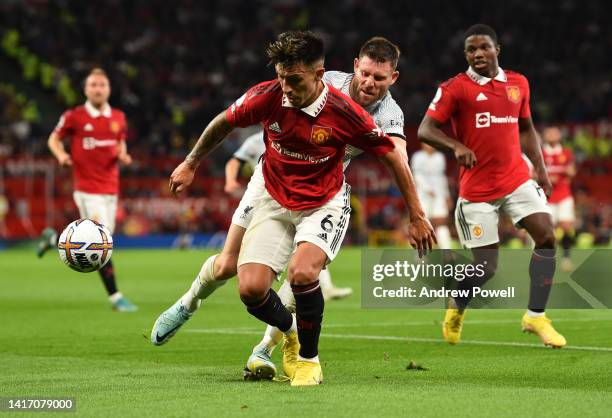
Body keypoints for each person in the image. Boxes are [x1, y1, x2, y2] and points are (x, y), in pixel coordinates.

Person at [155, 31, 435, 386]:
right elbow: (230, 120)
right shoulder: (303, 84)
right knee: (233, 270)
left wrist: (417, 214)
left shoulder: (378, 114)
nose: (368, 82)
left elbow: (396, 157)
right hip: (271, 178)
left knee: (301, 274)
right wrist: (192, 162)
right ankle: (189, 303)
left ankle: (280, 350)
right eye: (364, 73)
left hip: (322, 191)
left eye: (379, 78)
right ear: (352, 68)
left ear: (392, 79)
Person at [417, 24, 565, 348]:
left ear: (498, 49)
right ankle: (457, 302)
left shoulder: (518, 83)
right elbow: (425, 129)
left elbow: (526, 128)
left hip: (516, 179)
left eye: (483, 47)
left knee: (547, 236)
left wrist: (540, 169)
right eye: (471, 50)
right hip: (478, 191)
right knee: (486, 269)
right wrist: (455, 146)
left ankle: (535, 315)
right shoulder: (456, 88)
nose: (477, 54)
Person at [37, 68, 137, 312]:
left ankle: (53, 238)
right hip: (86, 188)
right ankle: (116, 298)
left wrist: (123, 155)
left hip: (111, 189)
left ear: (109, 89)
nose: (98, 89)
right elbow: (53, 139)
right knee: (100, 242)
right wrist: (61, 155)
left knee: (107, 240)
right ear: (86, 89)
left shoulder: (118, 117)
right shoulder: (75, 116)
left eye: (102, 84)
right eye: (93, 85)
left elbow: (119, 142)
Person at [225, 131, 354, 300]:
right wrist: (230, 181)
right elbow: (235, 160)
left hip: (297, 196)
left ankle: (320, 289)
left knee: (307, 249)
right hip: (264, 196)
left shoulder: (297, 133)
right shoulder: (254, 141)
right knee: (239, 259)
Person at [542, 126, 576, 272]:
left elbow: (572, 172)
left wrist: (568, 172)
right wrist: (549, 177)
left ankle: (566, 258)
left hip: (564, 195)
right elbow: (533, 173)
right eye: (549, 132)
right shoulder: (540, 153)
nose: (552, 135)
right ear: (544, 136)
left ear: (559, 135)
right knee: (550, 230)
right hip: (546, 197)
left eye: (555, 132)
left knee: (566, 226)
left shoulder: (566, 152)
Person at [410, 142, 453, 249]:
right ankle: (420, 255)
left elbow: (442, 177)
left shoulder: (440, 157)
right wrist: (427, 189)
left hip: (439, 196)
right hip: (422, 196)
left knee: (441, 223)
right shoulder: (417, 157)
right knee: (422, 224)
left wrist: (447, 195)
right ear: (422, 145)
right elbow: (416, 175)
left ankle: (447, 253)